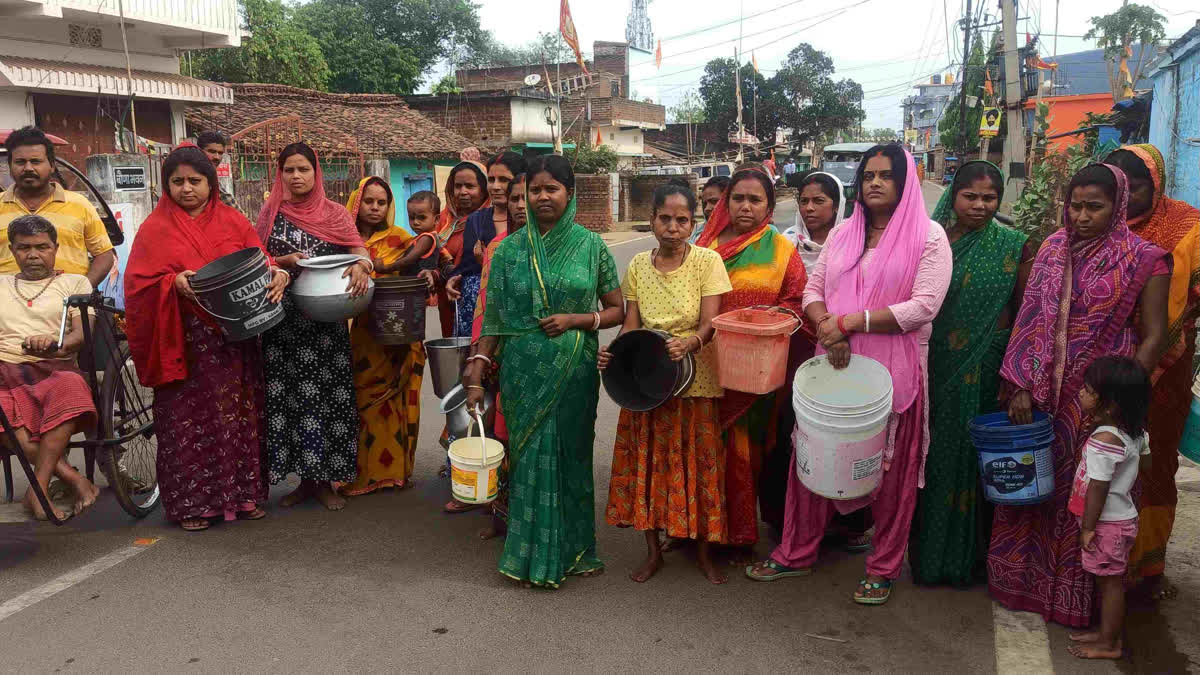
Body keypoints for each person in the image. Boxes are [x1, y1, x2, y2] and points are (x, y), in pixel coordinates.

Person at [747, 145, 953, 608]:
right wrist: (827, 326)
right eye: (869, 175)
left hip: (892, 374)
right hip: (833, 365)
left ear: (906, 182)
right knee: (812, 460)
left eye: (887, 175)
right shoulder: (844, 233)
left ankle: (883, 567)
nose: (875, 182)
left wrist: (849, 323)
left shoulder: (929, 236)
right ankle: (796, 551)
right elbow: (813, 290)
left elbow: (923, 307)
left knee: (891, 476)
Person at [992, 163, 1169, 627]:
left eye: (1095, 207)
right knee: (1034, 488)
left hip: (1101, 396)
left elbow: (1154, 335)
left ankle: (1083, 601)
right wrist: (1021, 384)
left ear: (1118, 207)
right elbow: (1030, 319)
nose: (1082, 217)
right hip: (1043, 393)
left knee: (1094, 493)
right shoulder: (1053, 249)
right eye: (1075, 206)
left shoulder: (1145, 259)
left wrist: (1120, 400)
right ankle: (1024, 585)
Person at [463, 155, 624, 588]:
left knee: (572, 457)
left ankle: (574, 551)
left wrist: (577, 319)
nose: (542, 197)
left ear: (569, 192)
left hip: (574, 372)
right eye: (535, 190)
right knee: (528, 457)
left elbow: (616, 310)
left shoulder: (592, 246)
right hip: (522, 373)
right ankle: (528, 554)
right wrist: (477, 372)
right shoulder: (508, 251)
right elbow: (494, 320)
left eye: (552, 189)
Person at [124, 144, 287, 531]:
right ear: (166, 185)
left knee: (237, 414)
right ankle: (192, 505)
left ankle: (244, 496)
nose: (186, 188)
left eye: (195, 181)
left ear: (210, 183)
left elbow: (259, 257)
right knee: (187, 420)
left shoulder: (232, 220)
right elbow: (137, 284)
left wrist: (277, 272)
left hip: (233, 339)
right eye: (177, 181)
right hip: (184, 340)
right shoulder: (154, 229)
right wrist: (171, 282)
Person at [602, 183, 733, 585]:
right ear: (652, 220)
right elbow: (631, 323)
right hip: (648, 381)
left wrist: (691, 342)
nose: (672, 227)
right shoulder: (639, 265)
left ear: (693, 223)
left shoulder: (708, 261)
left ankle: (704, 553)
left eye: (682, 220)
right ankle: (653, 552)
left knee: (700, 466)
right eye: (664, 218)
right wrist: (614, 352)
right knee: (648, 466)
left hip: (696, 381)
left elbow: (711, 322)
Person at [909, 161, 1033, 585]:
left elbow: (1025, 315)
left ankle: (973, 560)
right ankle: (931, 558)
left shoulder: (1013, 245)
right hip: (933, 366)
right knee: (933, 460)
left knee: (980, 465)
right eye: (971, 196)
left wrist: (1018, 377)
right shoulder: (928, 242)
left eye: (990, 198)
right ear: (953, 195)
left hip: (985, 367)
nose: (980, 205)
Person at [693, 166, 807, 556]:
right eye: (738, 198)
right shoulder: (705, 244)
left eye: (755, 199)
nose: (745, 206)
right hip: (703, 364)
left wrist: (768, 320)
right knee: (703, 447)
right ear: (725, 202)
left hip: (753, 369)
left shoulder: (781, 250)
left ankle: (738, 534)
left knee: (745, 452)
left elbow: (796, 302)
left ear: (769, 206)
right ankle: (697, 529)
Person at [1104, 145, 1200, 600]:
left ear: (1156, 186)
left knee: (1154, 462)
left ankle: (1146, 566)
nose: (1127, 201)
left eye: (1137, 190)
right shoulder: (1097, 220)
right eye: (1119, 191)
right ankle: (1099, 560)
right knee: (1103, 458)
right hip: (1104, 363)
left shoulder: (1187, 226)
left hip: (1166, 368)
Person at [256, 142, 370, 511]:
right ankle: (303, 482)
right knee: (290, 399)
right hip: (283, 323)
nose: (296, 176)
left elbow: (358, 249)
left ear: (316, 172)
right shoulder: (270, 214)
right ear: (280, 174)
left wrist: (362, 266)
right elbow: (256, 257)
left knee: (327, 398)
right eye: (289, 170)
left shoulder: (335, 213)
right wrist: (282, 261)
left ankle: (325, 482)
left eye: (303, 169)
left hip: (325, 323)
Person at [340, 176, 434, 498]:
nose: (375, 208)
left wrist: (430, 274)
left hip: (398, 334)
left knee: (396, 400)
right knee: (363, 400)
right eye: (369, 201)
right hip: (362, 333)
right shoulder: (344, 242)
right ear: (357, 202)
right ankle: (363, 474)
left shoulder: (401, 238)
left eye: (382, 202)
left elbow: (428, 263)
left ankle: (395, 473)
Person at [0, 215, 98, 521]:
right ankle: (75, 480)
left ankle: (37, 490)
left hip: (56, 366)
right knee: (3, 413)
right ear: (12, 251)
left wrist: (56, 344)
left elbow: (82, 335)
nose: (33, 254)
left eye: (42, 247)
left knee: (70, 387)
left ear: (55, 248)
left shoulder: (75, 283)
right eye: (24, 248)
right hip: (5, 367)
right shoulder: (1, 283)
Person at [1066, 356, 1152, 660]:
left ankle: (1109, 644)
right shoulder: (1136, 433)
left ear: (1110, 404)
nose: (1081, 393)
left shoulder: (1105, 439)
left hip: (1106, 524)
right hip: (1119, 519)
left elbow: (1098, 487)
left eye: (1089, 390)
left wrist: (1088, 527)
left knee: (1111, 585)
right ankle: (1105, 633)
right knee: (1107, 581)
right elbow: (1146, 467)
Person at [471, 172, 527, 539]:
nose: (520, 205)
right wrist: (479, 357)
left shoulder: (563, 250)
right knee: (499, 435)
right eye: (514, 198)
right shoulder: (498, 247)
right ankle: (501, 515)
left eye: (525, 197)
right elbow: (485, 303)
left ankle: (530, 518)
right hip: (499, 355)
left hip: (536, 358)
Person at [1, 127, 114, 287]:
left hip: (68, 301)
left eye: (36, 161)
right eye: (20, 162)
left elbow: (104, 255)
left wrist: (81, 291)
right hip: (8, 301)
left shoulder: (79, 204)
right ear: (10, 166)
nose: (28, 168)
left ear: (52, 166)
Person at [446, 152, 527, 339]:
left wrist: (489, 263)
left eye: (504, 180)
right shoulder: (476, 220)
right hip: (477, 309)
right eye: (491, 180)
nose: (495, 187)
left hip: (517, 308)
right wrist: (454, 278)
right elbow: (467, 266)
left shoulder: (530, 222)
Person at [433, 157, 489, 337]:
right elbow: (433, 256)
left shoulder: (491, 220)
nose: (463, 191)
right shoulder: (442, 221)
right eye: (458, 186)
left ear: (484, 189)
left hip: (480, 298)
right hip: (448, 297)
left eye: (470, 186)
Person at [782, 171, 846, 273]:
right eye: (804, 201)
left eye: (818, 201)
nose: (809, 208)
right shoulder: (787, 240)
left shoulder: (850, 242)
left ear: (837, 205)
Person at [196, 130, 236, 208]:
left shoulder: (216, 185)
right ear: (199, 151)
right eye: (211, 151)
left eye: (220, 153)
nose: (217, 157)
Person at [689, 176, 730, 244]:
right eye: (704, 203)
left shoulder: (742, 237)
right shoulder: (696, 232)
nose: (706, 209)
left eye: (714, 201)